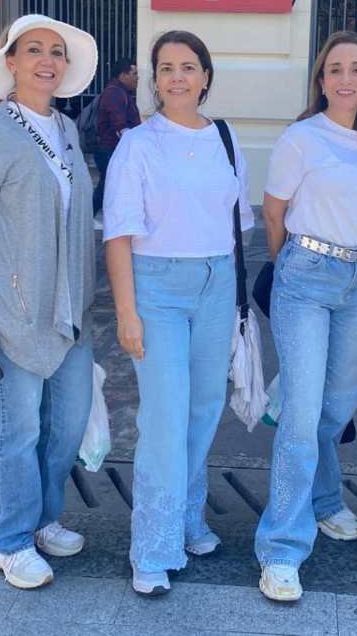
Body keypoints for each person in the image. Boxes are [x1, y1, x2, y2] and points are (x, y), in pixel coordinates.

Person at [103, 31, 253, 597]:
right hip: (157, 287)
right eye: (166, 68)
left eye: (188, 67)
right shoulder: (137, 145)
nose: (178, 78)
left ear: (206, 76)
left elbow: (236, 227)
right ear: (153, 78)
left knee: (203, 409)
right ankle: (152, 547)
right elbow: (118, 235)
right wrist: (127, 313)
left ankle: (187, 520)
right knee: (164, 421)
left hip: (216, 284)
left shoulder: (227, 138)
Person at [0, 14, 99, 590]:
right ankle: (9, 539)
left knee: (65, 424)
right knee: (18, 430)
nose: (47, 60)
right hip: (12, 311)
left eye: (56, 52)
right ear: (10, 62)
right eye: (33, 49)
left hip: (69, 312)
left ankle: (42, 518)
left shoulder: (67, 130)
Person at [254, 32, 357, 603]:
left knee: (337, 406)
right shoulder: (301, 138)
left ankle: (325, 496)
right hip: (307, 274)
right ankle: (282, 548)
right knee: (305, 420)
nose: (346, 78)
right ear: (321, 79)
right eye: (336, 69)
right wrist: (294, 266)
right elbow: (273, 213)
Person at [94, 58, 141, 215]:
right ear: (123, 75)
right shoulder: (115, 93)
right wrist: (135, 147)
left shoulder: (121, 92)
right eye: (134, 73)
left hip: (112, 149)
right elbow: (120, 125)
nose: (137, 77)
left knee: (110, 186)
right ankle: (89, 216)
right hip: (110, 150)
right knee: (108, 186)